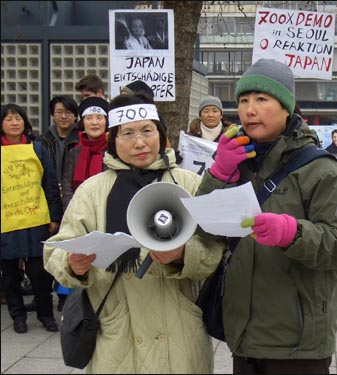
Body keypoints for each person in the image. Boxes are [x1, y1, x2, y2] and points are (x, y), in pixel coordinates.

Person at [43, 93, 224, 373]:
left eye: (147, 131)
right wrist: (71, 264)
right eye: (127, 133)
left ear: (161, 135)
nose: (139, 142)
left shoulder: (188, 183)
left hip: (179, 329)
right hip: (115, 331)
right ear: (112, 140)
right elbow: (56, 249)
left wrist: (183, 254)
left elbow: (215, 249)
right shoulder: (92, 190)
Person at [196, 58, 337, 374]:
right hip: (243, 334)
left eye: (261, 99)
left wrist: (291, 233)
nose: (249, 110)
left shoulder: (320, 169)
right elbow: (204, 230)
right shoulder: (236, 162)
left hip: (298, 342)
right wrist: (218, 172)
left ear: (286, 107)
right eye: (243, 100)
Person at [1, 104, 63, 334]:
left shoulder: (37, 148)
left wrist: (54, 215)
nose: (14, 123)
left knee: (39, 271)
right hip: (6, 221)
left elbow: (50, 183)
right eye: (8, 119)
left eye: (18, 118)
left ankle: (46, 314)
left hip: (36, 219)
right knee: (9, 273)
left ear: (25, 122)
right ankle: (17, 316)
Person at [39, 95, 80, 311]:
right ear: (53, 115)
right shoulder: (42, 141)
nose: (63, 116)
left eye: (68, 112)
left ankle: (66, 295)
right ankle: (50, 293)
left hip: (73, 199)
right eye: (59, 112)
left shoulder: (80, 140)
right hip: (50, 200)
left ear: (75, 116)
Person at [61, 96, 109, 211]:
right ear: (83, 122)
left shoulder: (114, 151)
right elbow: (67, 186)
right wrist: (72, 210)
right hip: (77, 210)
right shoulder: (74, 152)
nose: (94, 123)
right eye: (89, 118)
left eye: (99, 118)